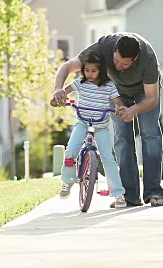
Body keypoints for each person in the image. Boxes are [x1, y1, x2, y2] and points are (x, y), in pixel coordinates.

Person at [53, 33, 163, 208]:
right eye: (116, 60)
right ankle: (129, 195)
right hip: (117, 93)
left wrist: (134, 109)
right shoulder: (104, 47)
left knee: (150, 135)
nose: (117, 66)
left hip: (144, 91)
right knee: (121, 139)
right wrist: (58, 88)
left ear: (134, 59)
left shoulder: (148, 59)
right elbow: (67, 66)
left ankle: (154, 193)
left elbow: (152, 98)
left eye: (124, 64)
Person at [51, 51, 128, 209]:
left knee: (108, 158)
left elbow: (118, 101)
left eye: (94, 71)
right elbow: (64, 92)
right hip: (82, 123)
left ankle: (118, 194)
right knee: (71, 150)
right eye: (87, 70)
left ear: (101, 70)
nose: (90, 74)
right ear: (82, 70)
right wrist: (57, 98)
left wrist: (120, 107)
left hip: (100, 126)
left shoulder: (109, 86)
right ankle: (67, 180)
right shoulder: (80, 83)